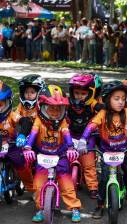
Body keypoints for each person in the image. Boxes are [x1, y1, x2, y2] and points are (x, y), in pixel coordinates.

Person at [77, 80, 127, 218]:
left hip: (125, 150)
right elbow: (91, 125)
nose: (121, 102)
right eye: (116, 99)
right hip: (107, 151)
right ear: (107, 99)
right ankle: (100, 205)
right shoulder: (103, 114)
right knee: (104, 179)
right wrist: (82, 140)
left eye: (123, 98)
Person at [23, 85, 81, 223]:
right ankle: (40, 208)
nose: (55, 112)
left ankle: (74, 208)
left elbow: (67, 135)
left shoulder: (62, 123)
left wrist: (71, 148)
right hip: (43, 156)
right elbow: (33, 133)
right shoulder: (38, 120)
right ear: (42, 107)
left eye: (58, 109)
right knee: (38, 185)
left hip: (60, 156)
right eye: (51, 108)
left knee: (66, 182)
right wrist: (27, 147)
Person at [67, 73, 104, 199]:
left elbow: (103, 109)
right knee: (65, 160)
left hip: (88, 137)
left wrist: (106, 109)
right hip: (71, 135)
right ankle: (63, 184)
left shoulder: (93, 104)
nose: (80, 96)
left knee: (88, 164)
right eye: (77, 93)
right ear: (72, 93)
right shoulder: (68, 103)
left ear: (90, 94)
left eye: (83, 94)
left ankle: (93, 187)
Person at [15, 74, 46, 192]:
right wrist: (20, 118)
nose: (28, 94)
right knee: (20, 157)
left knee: (39, 158)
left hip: (39, 136)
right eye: (26, 92)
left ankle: (41, 181)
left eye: (32, 92)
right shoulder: (21, 105)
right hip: (23, 134)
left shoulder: (41, 106)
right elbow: (16, 114)